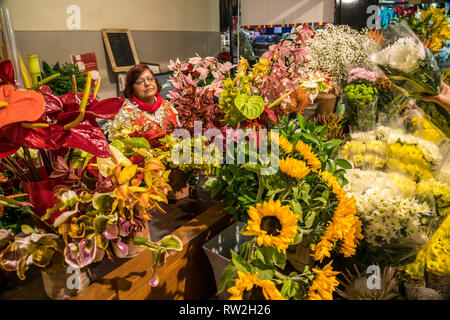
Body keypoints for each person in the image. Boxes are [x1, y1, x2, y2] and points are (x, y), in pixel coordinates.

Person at [103, 64, 180, 146]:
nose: (147, 84)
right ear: (132, 89)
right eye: (140, 82)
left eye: (150, 79)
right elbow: (121, 149)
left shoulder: (167, 105)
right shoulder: (125, 114)